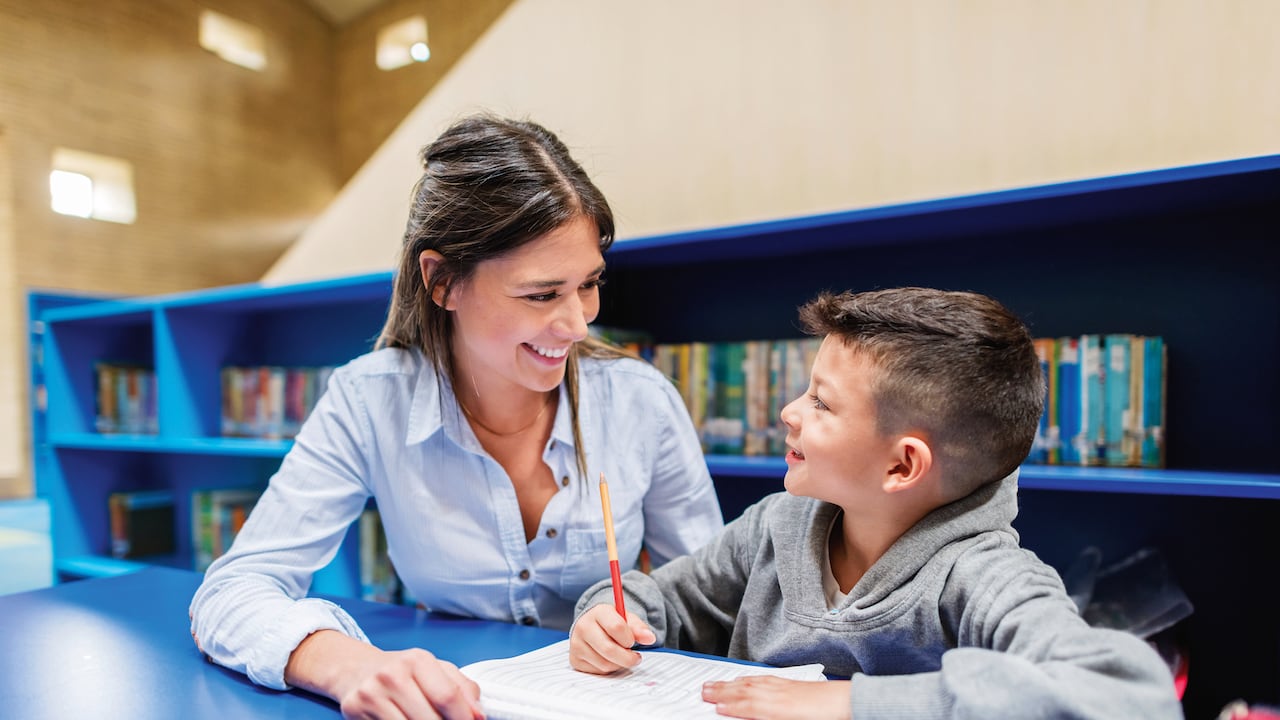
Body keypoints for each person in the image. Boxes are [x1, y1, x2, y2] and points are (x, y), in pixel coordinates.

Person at [189, 114, 724, 719]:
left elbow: (713, 598)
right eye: (542, 294)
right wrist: (348, 665)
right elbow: (232, 592)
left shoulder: (641, 401)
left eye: (589, 285)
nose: (578, 325)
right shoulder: (369, 400)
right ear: (442, 281)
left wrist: (643, 625)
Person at [570, 287, 1183, 720]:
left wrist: (850, 704)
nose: (789, 412)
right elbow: (666, 602)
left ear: (901, 465)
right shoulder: (774, 525)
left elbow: (1130, 698)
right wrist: (607, 615)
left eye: (821, 403)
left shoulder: (985, 576)